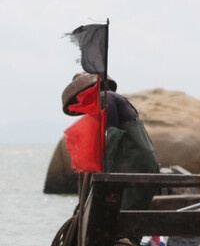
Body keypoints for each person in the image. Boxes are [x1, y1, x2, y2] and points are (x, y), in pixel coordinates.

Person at [62, 72, 160, 209]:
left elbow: (111, 136)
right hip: (142, 161)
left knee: (124, 211)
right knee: (132, 209)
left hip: (135, 164)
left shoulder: (105, 97)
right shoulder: (112, 99)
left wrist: (101, 169)